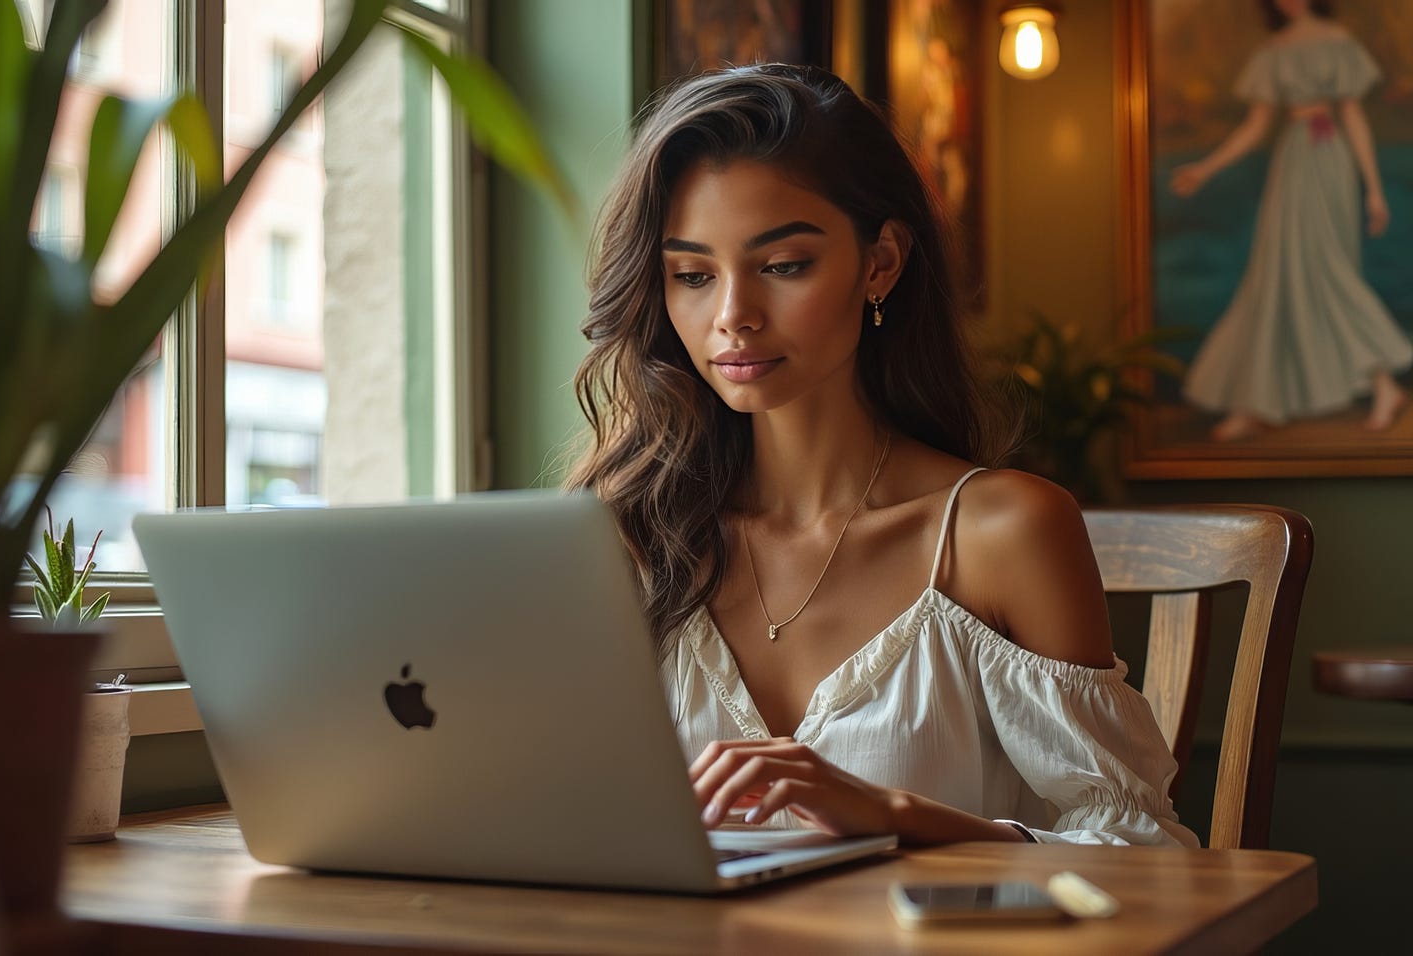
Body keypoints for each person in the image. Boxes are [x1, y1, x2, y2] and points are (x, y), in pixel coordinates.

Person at [567, 63, 1197, 847]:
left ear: (881, 263)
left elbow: (1141, 849)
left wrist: (897, 818)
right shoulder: (626, 536)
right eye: (692, 275)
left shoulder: (1001, 533)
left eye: (782, 266)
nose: (733, 316)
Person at [1171, 0, 1411, 442]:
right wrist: (1204, 168)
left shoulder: (1337, 41)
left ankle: (1383, 384)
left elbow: (1353, 117)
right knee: (1277, 276)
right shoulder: (1274, 50)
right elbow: (1254, 127)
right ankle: (1257, 402)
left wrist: (1374, 189)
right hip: (1293, 162)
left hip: (1330, 159)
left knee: (1326, 273)